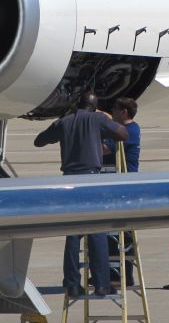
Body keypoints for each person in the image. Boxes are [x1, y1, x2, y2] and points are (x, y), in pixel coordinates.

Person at [34, 91, 128, 297]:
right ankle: (102, 284)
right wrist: (104, 123)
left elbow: (39, 141)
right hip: (91, 178)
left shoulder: (65, 121)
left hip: (69, 180)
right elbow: (123, 134)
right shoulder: (98, 119)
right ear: (94, 107)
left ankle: (72, 284)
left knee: (73, 233)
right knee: (97, 232)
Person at [102, 97, 141, 287]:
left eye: (114, 110)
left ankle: (122, 274)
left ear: (124, 112)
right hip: (119, 187)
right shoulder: (129, 129)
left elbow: (105, 150)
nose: (112, 112)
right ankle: (114, 273)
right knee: (113, 234)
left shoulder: (129, 131)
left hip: (124, 188)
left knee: (120, 235)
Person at [102, 97, 140, 173]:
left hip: (123, 177)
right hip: (114, 174)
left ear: (124, 112)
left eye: (115, 108)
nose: (112, 110)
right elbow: (108, 116)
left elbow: (103, 150)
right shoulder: (133, 126)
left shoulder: (127, 131)